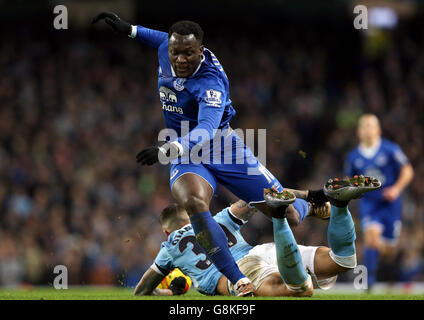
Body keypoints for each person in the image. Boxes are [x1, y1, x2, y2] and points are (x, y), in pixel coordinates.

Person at [92, 13, 328, 296]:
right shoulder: (168, 49)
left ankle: (308, 203)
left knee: (286, 215)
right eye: (175, 52)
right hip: (186, 153)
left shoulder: (211, 83)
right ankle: (238, 279)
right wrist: (129, 29)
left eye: (188, 54)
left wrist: (172, 147)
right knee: (193, 201)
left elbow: (205, 129)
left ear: (200, 52)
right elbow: (157, 38)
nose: (180, 59)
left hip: (221, 145)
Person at [133, 176, 381, 296]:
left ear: (167, 231)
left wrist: (166, 293)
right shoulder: (217, 219)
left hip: (244, 272)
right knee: (343, 262)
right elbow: (253, 198)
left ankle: (280, 217)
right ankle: (339, 206)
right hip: (265, 251)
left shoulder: (168, 247)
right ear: (192, 218)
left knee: (301, 290)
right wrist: (309, 195)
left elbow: (142, 290)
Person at [344, 114, 414, 289]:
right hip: (369, 203)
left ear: (379, 130)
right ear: (359, 131)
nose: (368, 129)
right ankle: (368, 282)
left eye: (371, 125)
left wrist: (396, 189)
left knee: (388, 249)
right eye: (364, 126)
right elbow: (349, 180)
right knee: (371, 237)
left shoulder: (390, 149)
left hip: (390, 203)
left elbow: (407, 170)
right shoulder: (353, 156)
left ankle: (383, 262)